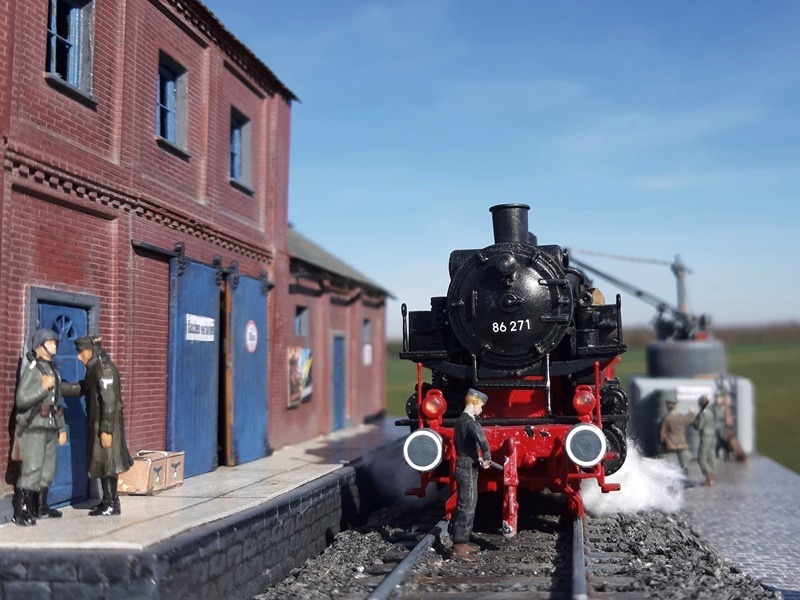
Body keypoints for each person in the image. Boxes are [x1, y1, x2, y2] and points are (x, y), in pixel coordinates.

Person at [63, 335, 133, 516]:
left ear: (90, 351)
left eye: (80, 352)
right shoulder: (95, 368)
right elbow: (84, 388)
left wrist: (106, 430)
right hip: (99, 425)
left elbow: (109, 402)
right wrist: (59, 387)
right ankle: (109, 500)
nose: (79, 357)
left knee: (108, 465)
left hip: (105, 426)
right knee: (105, 465)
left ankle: (111, 503)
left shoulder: (103, 370)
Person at [12, 328, 69, 525]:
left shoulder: (53, 369)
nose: (55, 345)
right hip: (34, 426)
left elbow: (57, 403)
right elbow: (21, 399)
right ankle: (22, 511)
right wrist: (42, 387)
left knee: (48, 470)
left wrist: (61, 429)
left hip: (50, 426)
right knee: (33, 469)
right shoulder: (33, 368)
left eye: (55, 342)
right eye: (51, 342)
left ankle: (41, 507)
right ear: (40, 346)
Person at [450, 388, 492, 560]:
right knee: (467, 504)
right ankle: (459, 544)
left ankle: (463, 540)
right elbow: (481, 437)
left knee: (467, 502)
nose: (481, 410)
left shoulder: (460, 420)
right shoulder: (469, 421)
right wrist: (487, 456)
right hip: (467, 465)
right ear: (474, 403)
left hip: (465, 463)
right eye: (480, 406)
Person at [659, 397, 696, 480]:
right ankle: (685, 478)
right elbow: (689, 419)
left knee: (670, 463)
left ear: (668, 406)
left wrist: (662, 442)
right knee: (684, 463)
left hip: (670, 444)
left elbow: (662, 432)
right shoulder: (680, 417)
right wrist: (692, 413)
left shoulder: (666, 418)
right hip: (682, 444)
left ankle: (673, 479)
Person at [714, 393, 747, 462]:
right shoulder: (722, 407)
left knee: (731, 442)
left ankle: (739, 455)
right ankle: (737, 455)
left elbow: (728, 419)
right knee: (730, 442)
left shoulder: (725, 408)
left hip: (727, 428)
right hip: (724, 429)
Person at [693, 395, 718, 486]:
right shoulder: (712, 411)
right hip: (713, 436)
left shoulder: (703, 413)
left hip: (705, 437)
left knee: (702, 458)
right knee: (711, 457)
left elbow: (699, 426)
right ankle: (713, 477)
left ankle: (708, 477)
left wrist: (694, 421)